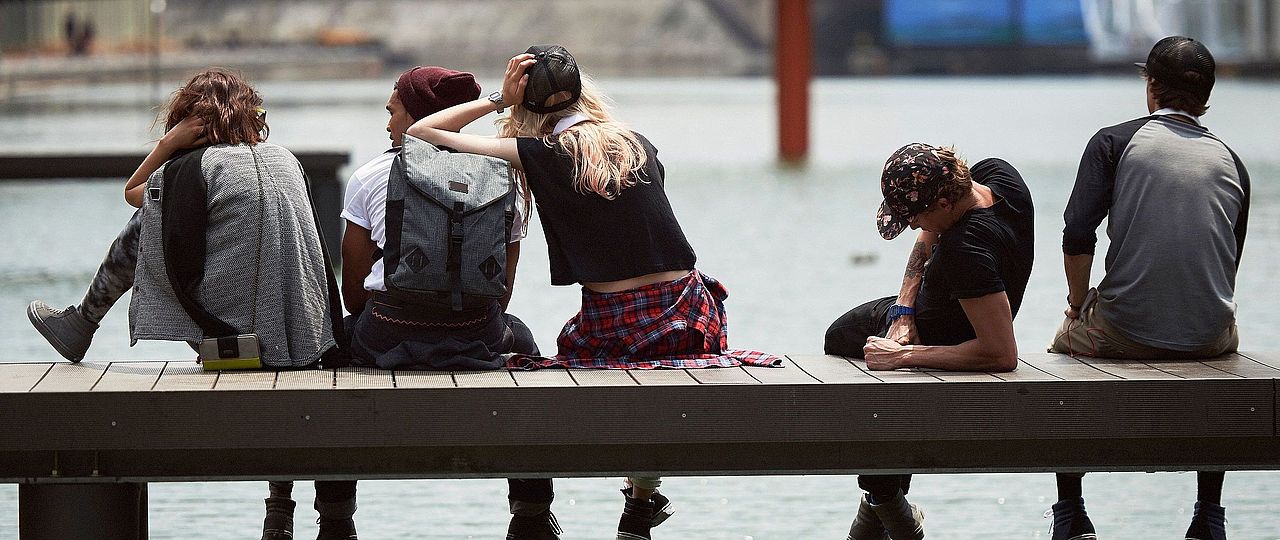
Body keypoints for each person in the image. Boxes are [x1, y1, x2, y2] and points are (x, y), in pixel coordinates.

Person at [404, 45, 780, 540]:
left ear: (528, 107)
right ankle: (640, 502)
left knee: (567, 357)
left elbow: (423, 134)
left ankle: (585, 503)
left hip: (616, 324)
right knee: (653, 400)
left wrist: (500, 99)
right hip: (691, 313)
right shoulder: (637, 142)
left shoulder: (539, 153)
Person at [23, 69, 351, 540]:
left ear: (190, 121)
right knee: (178, 227)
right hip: (312, 342)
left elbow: (133, 194)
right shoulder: (285, 160)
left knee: (147, 223)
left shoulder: (191, 169)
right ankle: (281, 505)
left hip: (237, 351)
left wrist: (167, 146)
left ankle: (83, 321)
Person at [312, 65, 558, 540]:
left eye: (393, 112)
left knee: (329, 352)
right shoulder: (501, 175)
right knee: (524, 343)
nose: (387, 125)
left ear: (418, 115)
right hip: (477, 333)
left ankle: (335, 517)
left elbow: (354, 289)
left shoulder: (371, 176)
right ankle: (531, 512)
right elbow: (501, 291)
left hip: (386, 330)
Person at [1045, 36, 1249, 540]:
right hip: (1211, 335)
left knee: (1063, 355)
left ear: (1152, 86)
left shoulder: (1113, 143)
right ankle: (1209, 514)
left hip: (1122, 330)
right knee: (1219, 362)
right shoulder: (1232, 161)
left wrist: (1076, 305)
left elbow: (1076, 234)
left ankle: (1071, 511)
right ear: (1204, 96)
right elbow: (1229, 261)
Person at [824, 143, 1035, 539]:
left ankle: (882, 498)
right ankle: (880, 502)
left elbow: (1002, 354)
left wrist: (904, 355)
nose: (914, 227)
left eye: (916, 216)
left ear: (943, 200)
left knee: (841, 339)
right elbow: (927, 235)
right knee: (858, 340)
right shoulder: (998, 176)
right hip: (934, 313)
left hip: (949, 332)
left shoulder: (964, 249)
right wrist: (903, 312)